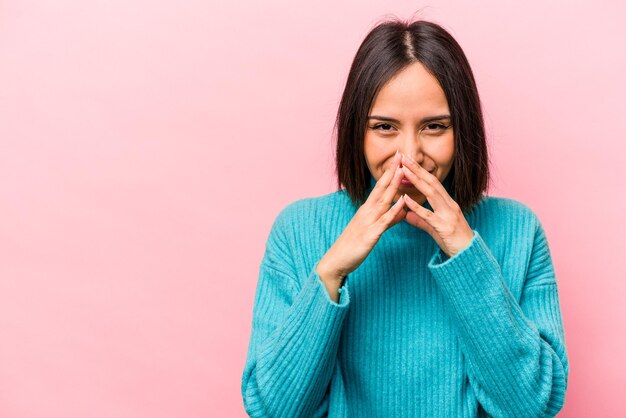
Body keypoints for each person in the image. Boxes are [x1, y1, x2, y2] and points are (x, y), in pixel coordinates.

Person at [241, 17, 569, 418]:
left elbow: (531, 406)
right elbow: (273, 409)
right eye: (384, 127)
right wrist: (329, 273)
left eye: (434, 126)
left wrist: (467, 256)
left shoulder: (518, 231)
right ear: (355, 133)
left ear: (463, 131)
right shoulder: (298, 231)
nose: (409, 157)